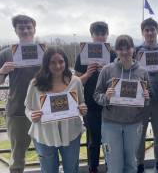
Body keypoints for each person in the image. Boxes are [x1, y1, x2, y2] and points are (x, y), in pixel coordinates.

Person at [24, 47, 88, 173]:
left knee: (72, 169)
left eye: (61, 61)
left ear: (66, 62)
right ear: (46, 63)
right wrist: (31, 115)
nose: (58, 65)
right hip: (44, 135)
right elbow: (27, 108)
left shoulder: (75, 81)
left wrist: (82, 109)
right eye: (52, 62)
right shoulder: (35, 84)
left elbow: (81, 103)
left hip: (71, 134)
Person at [93, 35, 150, 173]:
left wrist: (146, 97)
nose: (124, 52)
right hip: (111, 124)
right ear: (116, 50)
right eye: (120, 49)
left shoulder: (142, 72)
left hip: (134, 124)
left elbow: (146, 101)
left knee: (131, 163)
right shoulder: (107, 70)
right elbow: (96, 95)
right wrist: (106, 97)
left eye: (128, 48)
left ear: (133, 49)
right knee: (114, 165)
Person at [0, 15, 40, 173]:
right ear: (15, 30)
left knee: (46, 153)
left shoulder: (44, 51)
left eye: (29, 27)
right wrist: (2, 71)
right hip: (17, 110)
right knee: (17, 157)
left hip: (43, 109)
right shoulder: (6, 53)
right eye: (21, 27)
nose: (25, 30)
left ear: (34, 29)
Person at [74, 21, 116, 173]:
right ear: (92, 36)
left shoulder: (113, 55)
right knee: (93, 141)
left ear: (107, 35)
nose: (100, 37)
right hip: (91, 104)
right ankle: (93, 168)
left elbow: (119, 78)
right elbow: (77, 82)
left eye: (103, 34)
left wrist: (107, 70)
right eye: (97, 34)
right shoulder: (82, 56)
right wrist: (88, 73)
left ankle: (111, 167)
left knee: (110, 139)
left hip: (110, 104)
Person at [136, 18, 158, 173]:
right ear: (143, 33)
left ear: (157, 31)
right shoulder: (137, 52)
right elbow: (131, 74)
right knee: (140, 136)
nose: (150, 32)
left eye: (152, 29)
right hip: (141, 101)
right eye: (146, 30)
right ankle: (140, 164)